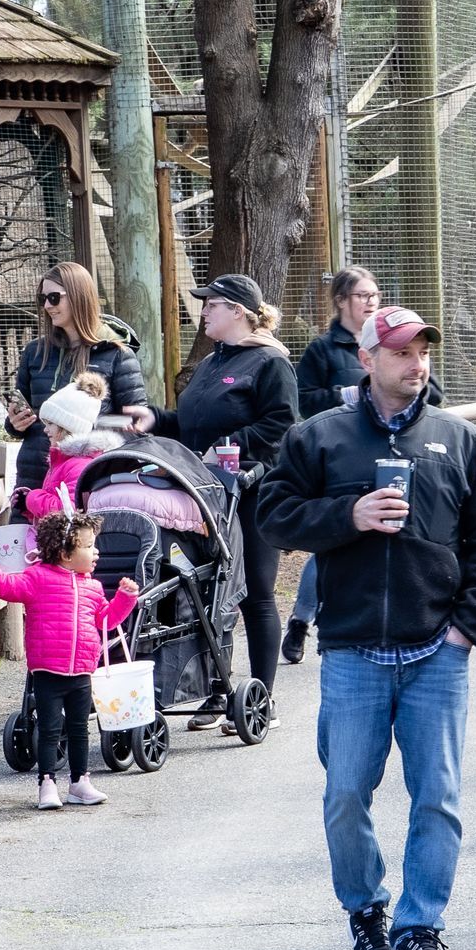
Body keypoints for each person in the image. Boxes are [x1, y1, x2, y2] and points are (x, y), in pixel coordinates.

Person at [257, 304, 476, 950]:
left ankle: (421, 927)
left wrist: (468, 629)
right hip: (351, 652)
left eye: (424, 349)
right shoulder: (320, 439)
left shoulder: (463, 443)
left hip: (438, 651)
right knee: (346, 793)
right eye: (401, 351)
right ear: (367, 359)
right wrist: (348, 515)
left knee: (439, 797)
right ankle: (365, 910)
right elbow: (274, 515)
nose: (416, 362)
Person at [133, 273, 298, 729]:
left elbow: (282, 428)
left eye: (212, 304)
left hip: (254, 494)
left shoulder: (270, 363)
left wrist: (232, 444)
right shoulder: (212, 361)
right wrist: (156, 419)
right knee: (205, 592)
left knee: (256, 595)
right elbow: (191, 427)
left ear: (239, 312)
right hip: (204, 494)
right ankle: (216, 691)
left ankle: (261, 699)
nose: (203, 311)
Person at [285, 268, 443, 664]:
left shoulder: (404, 338)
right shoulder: (323, 349)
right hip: (343, 456)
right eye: (361, 295)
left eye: (374, 294)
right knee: (336, 544)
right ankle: (303, 620)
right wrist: (347, 396)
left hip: (402, 457)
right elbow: (303, 399)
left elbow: (433, 393)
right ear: (341, 301)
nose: (370, 301)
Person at [0, 511, 139, 809]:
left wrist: (125, 598)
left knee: (79, 728)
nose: (96, 551)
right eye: (88, 546)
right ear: (65, 553)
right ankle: (47, 783)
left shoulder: (93, 587)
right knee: (49, 729)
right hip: (48, 670)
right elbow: (4, 585)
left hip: (82, 671)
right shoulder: (37, 578)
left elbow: (107, 622)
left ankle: (79, 783)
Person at [5, 261, 150, 493]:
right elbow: (19, 420)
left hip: (85, 480)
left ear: (78, 296)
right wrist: (15, 423)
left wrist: (82, 427)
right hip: (34, 477)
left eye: (54, 297)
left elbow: (137, 425)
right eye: (42, 299)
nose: (47, 306)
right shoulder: (35, 352)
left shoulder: (117, 354)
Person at [18, 372, 126, 519]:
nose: (45, 429)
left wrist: (31, 499)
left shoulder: (79, 465)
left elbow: (69, 511)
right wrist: (26, 506)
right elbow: (53, 512)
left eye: (50, 424)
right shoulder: (64, 460)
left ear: (68, 426)